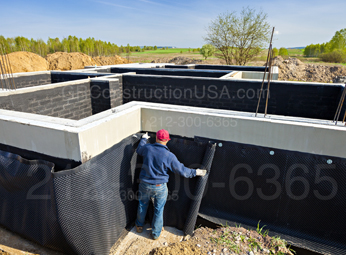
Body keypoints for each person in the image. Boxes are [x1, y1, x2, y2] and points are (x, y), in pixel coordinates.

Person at [135, 129, 207, 240]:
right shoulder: (169, 156)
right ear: (167, 140)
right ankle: (155, 234)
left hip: (144, 184)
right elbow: (182, 171)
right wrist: (196, 172)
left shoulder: (148, 149)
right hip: (159, 187)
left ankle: (139, 226)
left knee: (142, 204)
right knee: (158, 210)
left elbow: (139, 150)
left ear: (157, 138)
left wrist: (144, 139)